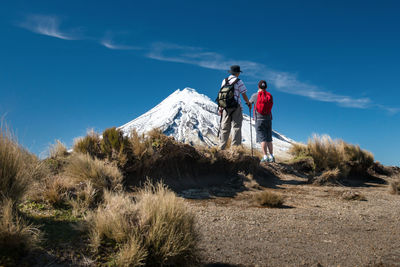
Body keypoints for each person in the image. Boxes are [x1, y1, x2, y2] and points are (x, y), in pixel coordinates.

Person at [218, 65, 251, 150]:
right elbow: (243, 94)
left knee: (225, 128)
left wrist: (220, 107)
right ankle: (235, 149)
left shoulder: (224, 81)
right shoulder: (239, 81)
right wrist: (248, 103)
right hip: (236, 106)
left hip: (225, 107)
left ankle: (221, 148)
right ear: (237, 73)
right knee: (236, 127)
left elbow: (221, 94)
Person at [249, 80, 274, 162]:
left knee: (262, 138)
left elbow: (249, 103)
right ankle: (271, 156)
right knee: (269, 139)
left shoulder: (255, 95)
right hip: (268, 119)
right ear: (266, 87)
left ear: (258, 87)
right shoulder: (269, 95)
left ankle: (265, 156)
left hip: (259, 119)